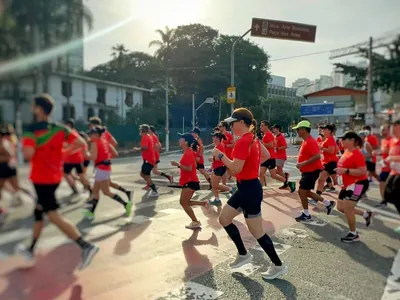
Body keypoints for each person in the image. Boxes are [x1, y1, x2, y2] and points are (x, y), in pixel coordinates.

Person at [17, 94, 99, 270]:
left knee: (53, 216)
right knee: (39, 212)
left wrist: (27, 146)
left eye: (33, 106)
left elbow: (27, 155)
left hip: (41, 178)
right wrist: (62, 152)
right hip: (54, 177)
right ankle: (31, 249)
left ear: (39, 109)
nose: (31, 108)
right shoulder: (59, 129)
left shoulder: (32, 130)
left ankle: (86, 247)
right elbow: (80, 142)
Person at [212, 107, 288, 280]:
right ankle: (243, 254)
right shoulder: (252, 137)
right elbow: (266, 155)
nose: (230, 127)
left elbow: (236, 167)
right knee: (224, 219)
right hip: (245, 187)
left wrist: (221, 155)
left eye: (232, 124)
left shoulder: (243, 141)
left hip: (250, 190)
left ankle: (278, 265)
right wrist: (249, 166)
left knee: (257, 232)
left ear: (241, 123)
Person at [82, 126, 133, 220]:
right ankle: (90, 212)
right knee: (95, 191)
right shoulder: (104, 140)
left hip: (101, 170)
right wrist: (106, 159)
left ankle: (125, 204)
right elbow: (114, 153)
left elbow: (93, 157)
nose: (90, 135)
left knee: (106, 192)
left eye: (91, 134)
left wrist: (85, 153)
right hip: (104, 169)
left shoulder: (95, 142)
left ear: (96, 134)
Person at [292, 120, 336, 222]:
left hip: (311, 171)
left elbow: (317, 156)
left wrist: (302, 164)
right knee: (306, 192)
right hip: (309, 171)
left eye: (298, 129)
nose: (297, 132)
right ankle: (328, 203)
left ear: (303, 130)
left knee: (301, 192)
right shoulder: (306, 140)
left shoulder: (310, 141)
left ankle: (306, 214)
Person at [335, 131, 373, 242]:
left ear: (352, 140)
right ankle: (365, 214)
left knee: (347, 209)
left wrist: (345, 171)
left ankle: (354, 234)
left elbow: (362, 171)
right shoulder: (346, 151)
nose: (341, 141)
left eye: (344, 139)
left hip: (358, 185)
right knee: (340, 208)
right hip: (347, 185)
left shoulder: (356, 153)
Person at [171, 133, 209, 229]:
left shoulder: (188, 152)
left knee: (183, 202)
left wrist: (178, 165)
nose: (179, 140)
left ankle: (195, 221)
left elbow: (189, 168)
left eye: (181, 139)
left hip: (190, 181)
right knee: (185, 202)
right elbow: (194, 166)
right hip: (190, 180)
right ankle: (203, 203)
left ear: (186, 142)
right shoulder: (189, 151)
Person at [88, 117, 132, 201]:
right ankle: (126, 192)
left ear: (94, 125)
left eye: (90, 124)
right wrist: (107, 154)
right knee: (108, 184)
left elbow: (95, 151)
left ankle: (92, 203)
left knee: (103, 189)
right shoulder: (105, 133)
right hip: (103, 162)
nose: (89, 126)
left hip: (101, 163)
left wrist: (104, 155)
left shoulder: (96, 136)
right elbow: (114, 143)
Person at [260, 121, 295, 192]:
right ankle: (259, 188)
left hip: (271, 158)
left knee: (274, 174)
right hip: (266, 158)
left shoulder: (269, 135)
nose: (261, 127)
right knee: (261, 173)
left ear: (266, 126)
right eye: (261, 126)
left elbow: (270, 145)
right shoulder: (266, 135)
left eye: (262, 126)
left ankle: (288, 183)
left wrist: (261, 143)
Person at [63, 119, 92, 197]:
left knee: (68, 174)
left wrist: (68, 150)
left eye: (66, 125)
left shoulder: (71, 134)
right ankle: (88, 188)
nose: (65, 127)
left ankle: (76, 188)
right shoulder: (73, 133)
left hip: (71, 158)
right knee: (80, 174)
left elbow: (81, 144)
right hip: (75, 159)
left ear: (70, 125)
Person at [208, 132, 235, 206]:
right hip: (216, 167)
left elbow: (221, 157)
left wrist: (212, 159)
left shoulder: (220, 146)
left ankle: (230, 189)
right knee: (213, 184)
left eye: (213, 137)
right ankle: (217, 199)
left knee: (215, 185)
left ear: (217, 138)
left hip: (219, 167)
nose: (212, 138)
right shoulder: (217, 146)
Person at [383, 119, 400, 232]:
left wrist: (392, 158)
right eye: (392, 126)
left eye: (395, 126)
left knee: (397, 196)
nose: (392, 128)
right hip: (393, 172)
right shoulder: (392, 141)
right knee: (388, 194)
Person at [134, 124, 158, 197]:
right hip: (148, 159)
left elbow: (145, 147)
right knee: (144, 174)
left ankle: (154, 190)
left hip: (149, 160)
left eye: (140, 129)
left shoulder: (145, 137)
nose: (139, 131)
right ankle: (152, 186)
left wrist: (137, 149)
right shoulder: (148, 136)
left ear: (143, 130)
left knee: (145, 175)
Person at [315, 124, 339, 196]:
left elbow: (331, 151)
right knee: (321, 180)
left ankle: (357, 191)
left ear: (329, 131)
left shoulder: (330, 139)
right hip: (327, 162)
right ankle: (316, 198)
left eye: (324, 129)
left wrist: (321, 148)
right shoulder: (328, 139)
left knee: (339, 182)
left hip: (331, 162)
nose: (323, 130)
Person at [376, 124, 392, 207]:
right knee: (381, 184)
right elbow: (384, 152)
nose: (381, 132)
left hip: (393, 169)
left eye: (383, 130)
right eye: (381, 130)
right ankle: (384, 201)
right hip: (384, 167)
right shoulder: (383, 141)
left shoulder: (393, 140)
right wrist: (379, 153)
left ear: (389, 131)